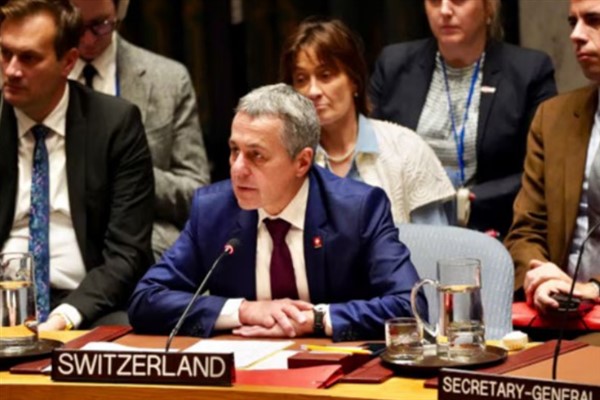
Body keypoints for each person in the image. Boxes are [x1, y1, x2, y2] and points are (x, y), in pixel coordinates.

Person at [128, 83, 427, 341]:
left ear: (302, 162)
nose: (238, 169)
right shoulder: (213, 210)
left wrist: (316, 319)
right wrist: (243, 310)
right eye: (234, 151)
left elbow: (411, 307)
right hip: (246, 370)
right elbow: (147, 299)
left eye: (256, 155)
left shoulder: (358, 209)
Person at [0, 0, 154, 331]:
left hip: (88, 305)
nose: (11, 70)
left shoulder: (115, 124)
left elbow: (128, 252)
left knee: (127, 329)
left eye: (28, 58)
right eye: (5, 53)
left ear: (67, 62)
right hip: (4, 300)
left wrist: (64, 317)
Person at [370, 0, 557, 236]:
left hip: (493, 225)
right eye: (435, 1)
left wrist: (463, 202)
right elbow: (368, 152)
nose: (445, 11)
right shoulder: (393, 64)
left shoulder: (529, 71)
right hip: (404, 226)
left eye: (458, 1)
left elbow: (543, 169)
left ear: (488, 8)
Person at [68, 0, 210, 260]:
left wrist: (130, 173)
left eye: (100, 25)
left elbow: (197, 195)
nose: (87, 40)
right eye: (76, 26)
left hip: (144, 241)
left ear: (120, 11)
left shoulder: (168, 79)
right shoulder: (30, 73)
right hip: (58, 234)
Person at [280, 18, 454, 225]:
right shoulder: (286, 160)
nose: (313, 91)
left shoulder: (406, 149)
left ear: (354, 81)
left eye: (325, 75)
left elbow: (433, 241)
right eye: (301, 79)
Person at [504, 0, 600, 339]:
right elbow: (525, 231)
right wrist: (541, 277)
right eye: (573, 22)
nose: (576, 35)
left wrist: (593, 289)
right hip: (560, 319)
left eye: (594, 20)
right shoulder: (553, 117)